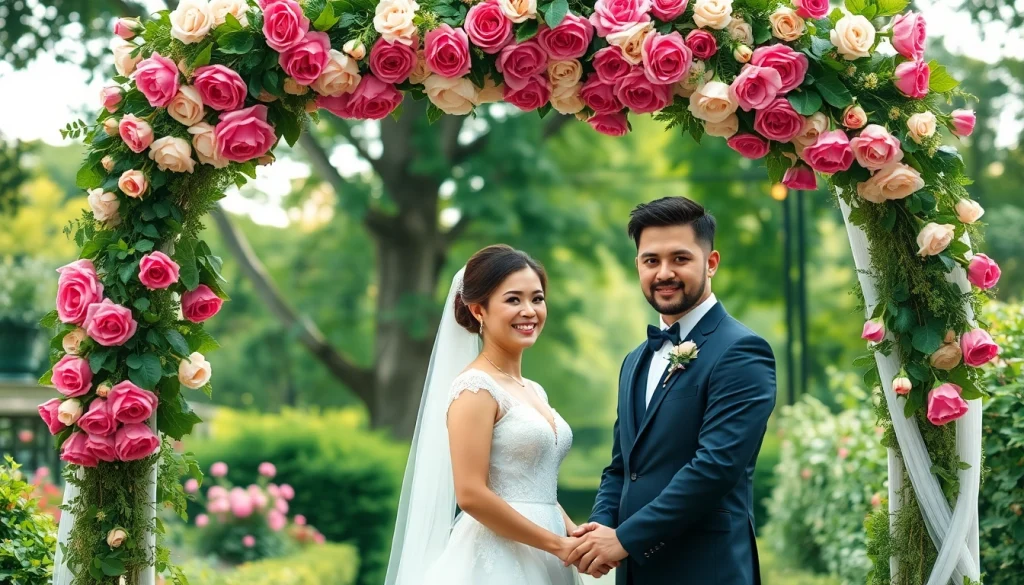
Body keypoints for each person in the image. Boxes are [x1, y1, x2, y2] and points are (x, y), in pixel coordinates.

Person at [568, 196, 778, 585]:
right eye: (651, 261)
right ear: (638, 267)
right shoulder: (635, 360)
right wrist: (599, 528)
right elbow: (622, 467)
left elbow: (714, 468)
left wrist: (624, 539)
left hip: (707, 569)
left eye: (680, 259)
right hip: (636, 573)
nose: (664, 272)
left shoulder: (743, 351)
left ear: (710, 262)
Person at [385, 244, 606, 585]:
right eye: (513, 300)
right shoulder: (475, 389)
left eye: (537, 298)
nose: (529, 311)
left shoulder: (533, 390)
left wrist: (574, 537)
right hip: (497, 558)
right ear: (479, 310)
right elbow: (471, 494)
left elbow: (536, 488)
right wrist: (558, 545)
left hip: (547, 551)